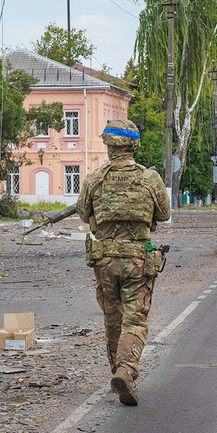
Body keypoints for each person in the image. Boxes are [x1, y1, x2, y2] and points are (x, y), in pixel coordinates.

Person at [75, 119, 171, 406]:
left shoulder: (94, 179)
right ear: (134, 145)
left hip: (104, 260)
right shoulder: (149, 178)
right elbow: (164, 214)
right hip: (138, 261)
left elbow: (83, 213)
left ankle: (116, 372)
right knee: (135, 320)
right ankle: (126, 371)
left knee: (112, 319)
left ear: (108, 146)